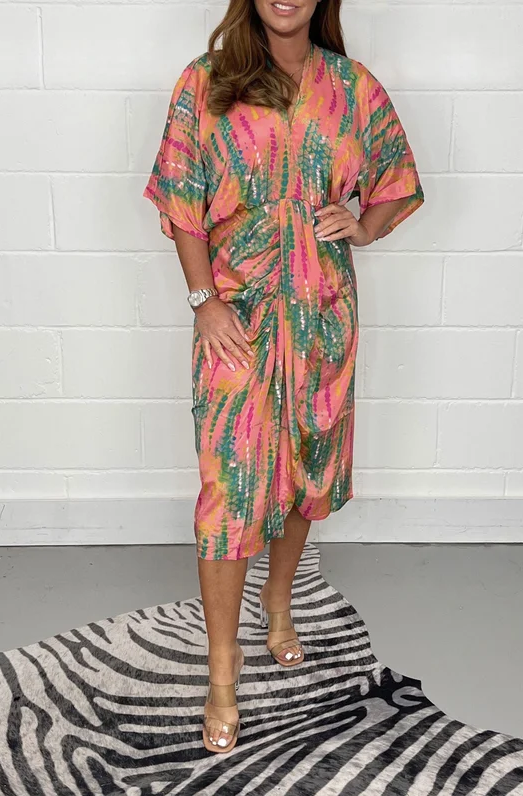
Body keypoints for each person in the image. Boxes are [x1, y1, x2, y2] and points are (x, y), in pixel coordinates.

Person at [143, 0, 424, 754]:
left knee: (305, 465)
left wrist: (363, 225)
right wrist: (203, 302)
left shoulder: (352, 86)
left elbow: (399, 180)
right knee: (229, 487)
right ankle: (223, 669)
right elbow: (182, 204)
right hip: (236, 312)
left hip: (323, 311)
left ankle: (278, 601)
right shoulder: (208, 81)